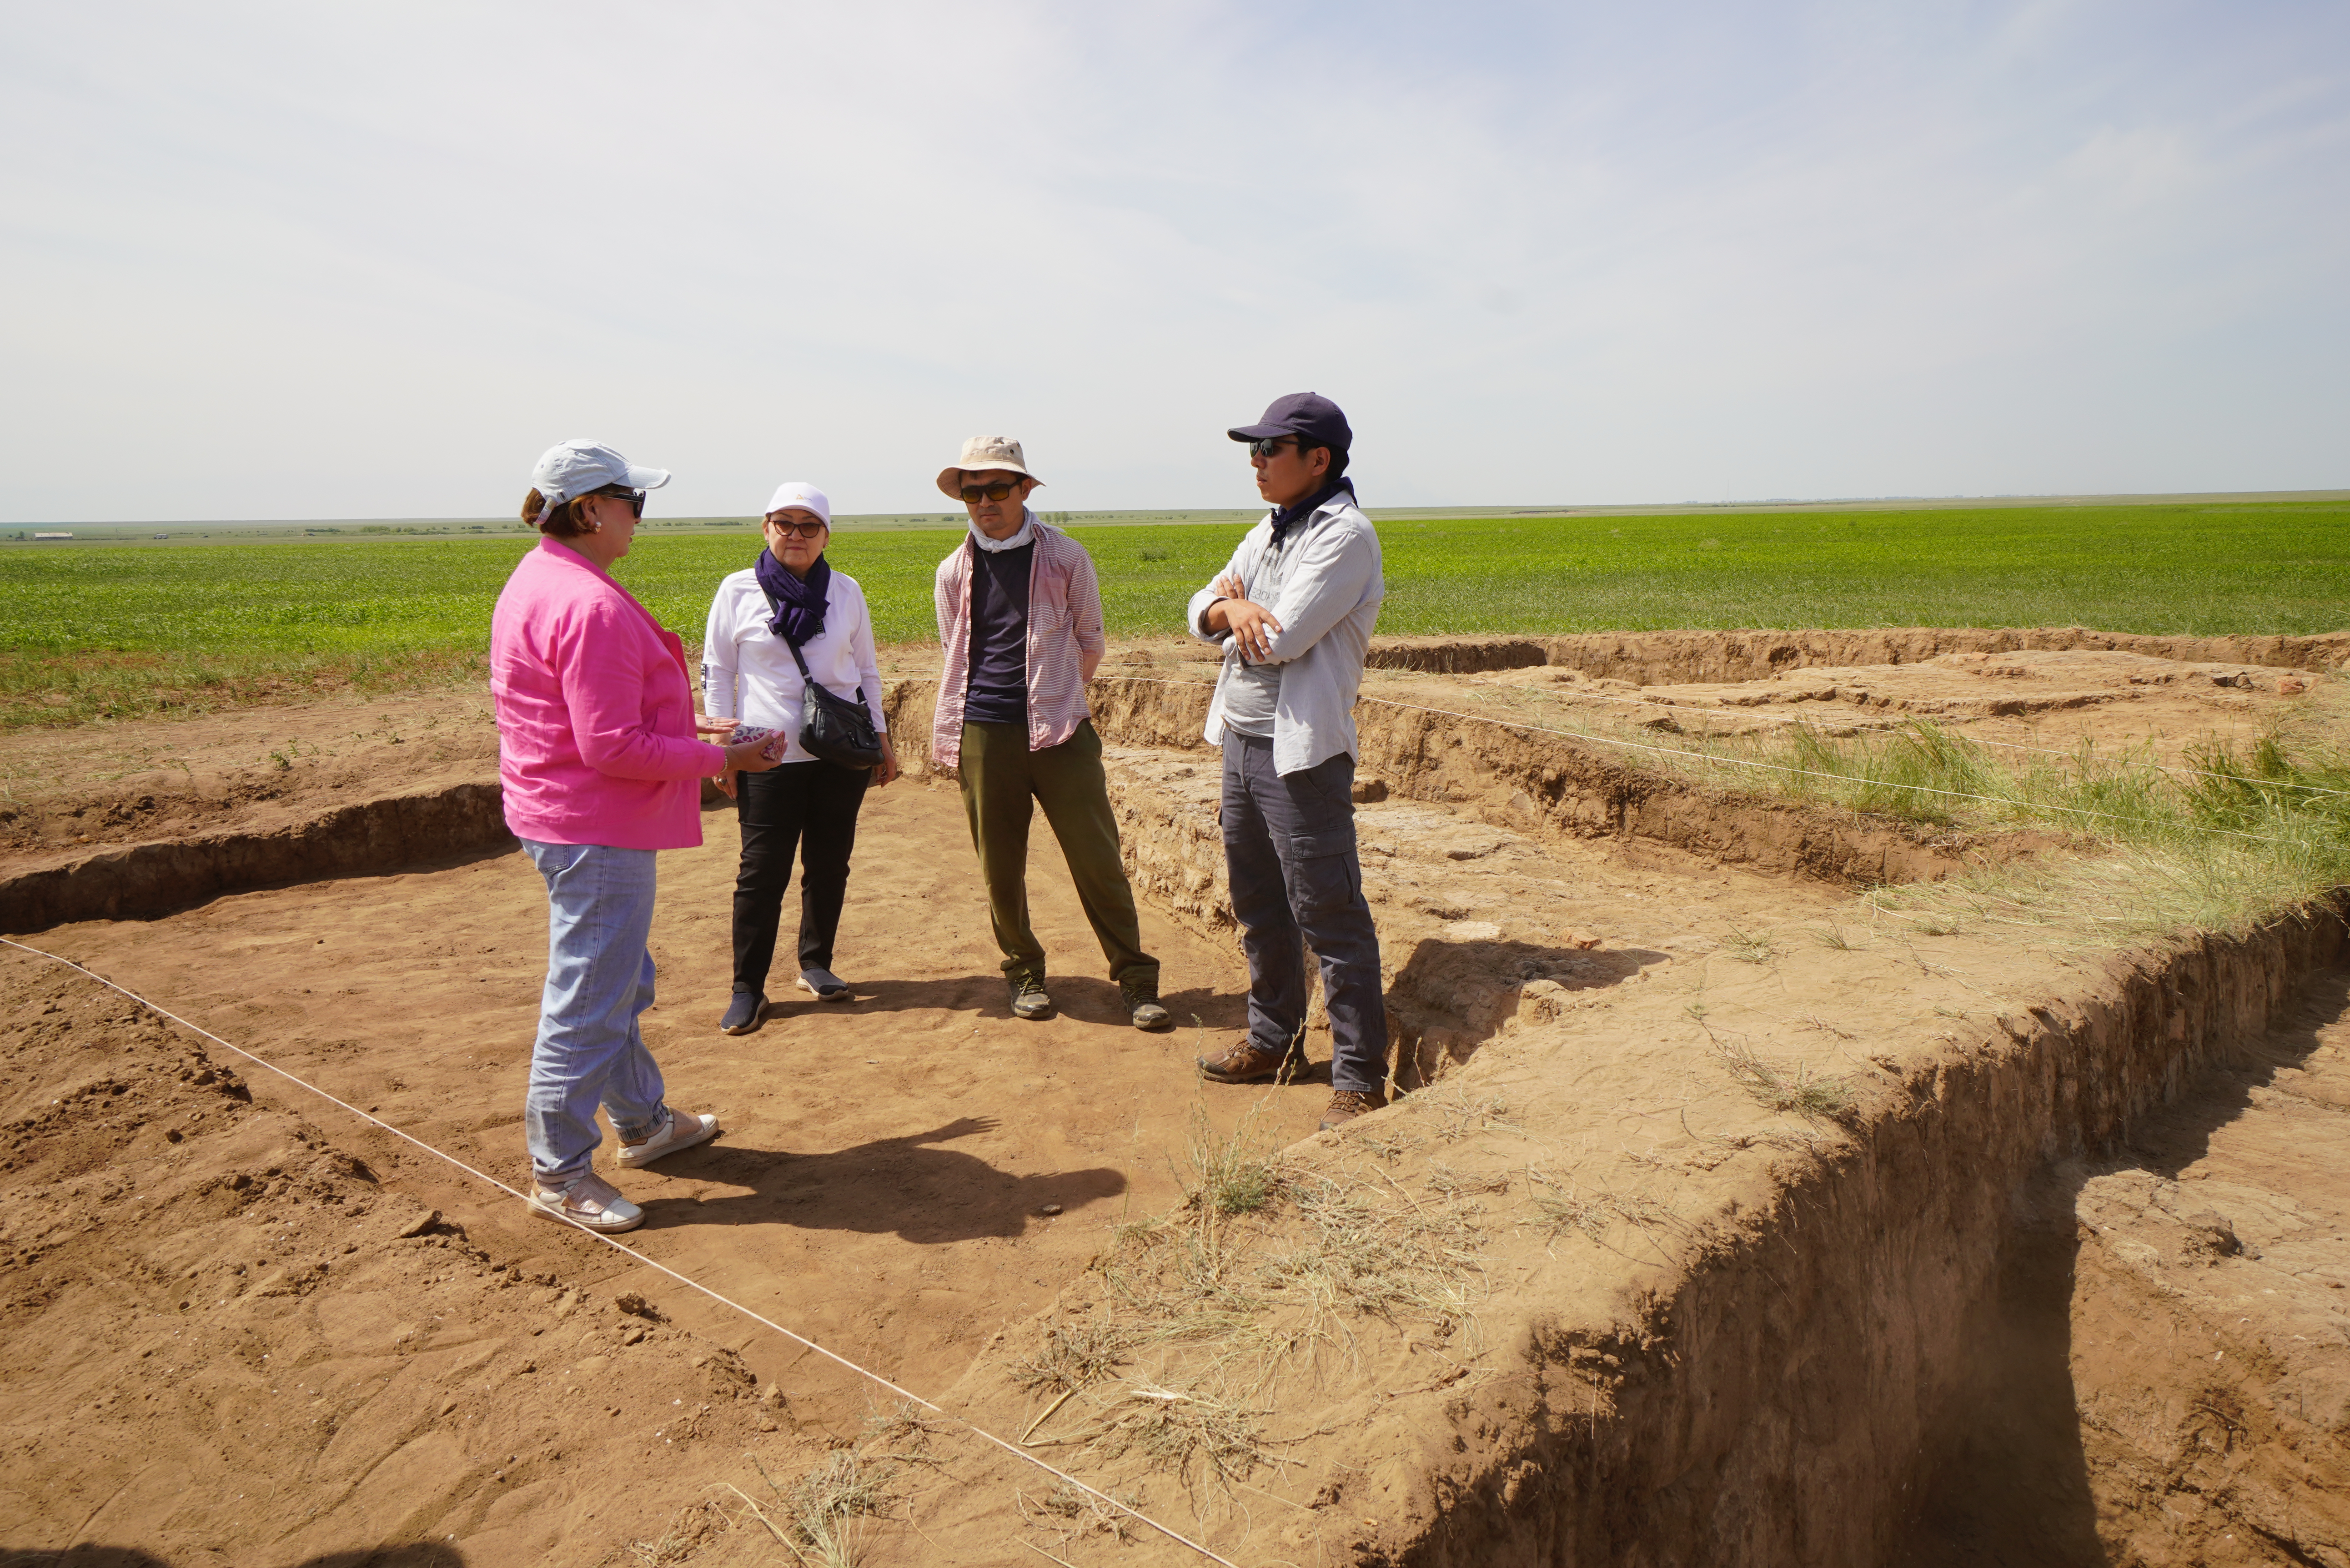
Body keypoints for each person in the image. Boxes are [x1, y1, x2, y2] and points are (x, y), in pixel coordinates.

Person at [491, 438, 781, 1234]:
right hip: (594, 825)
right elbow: (610, 746)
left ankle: (644, 1121)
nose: (637, 517)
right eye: (632, 502)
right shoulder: (588, 604)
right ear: (590, 509)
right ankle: (558, 1172)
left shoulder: (542, 577)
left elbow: (589, 717)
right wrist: (721, 756)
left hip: (560, 812)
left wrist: (697, 728)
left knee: (616, 978)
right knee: (589, 995)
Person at [1184, 394, 1391, 1132]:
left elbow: (1285, 637)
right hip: (1240, 741)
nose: (1256, 462)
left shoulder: (1346, 536)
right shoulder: (1268, 530)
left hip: (1298, 755)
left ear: (1319, 460)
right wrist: (1227, 610)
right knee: (1259, 904)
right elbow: (1198, 607)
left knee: (1328, 913)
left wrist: (1239, 614)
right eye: (1253, 450)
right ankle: (1273, 1041)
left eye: (1271, 450)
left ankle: (1361, 1077)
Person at [929, 435, 1171, 1031]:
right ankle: (1024, 973)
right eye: (973, 491)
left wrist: (1055, 693)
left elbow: (1091, 639)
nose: (985, 501)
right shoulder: (953, 571)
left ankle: (1136, 980)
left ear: (1025, 490)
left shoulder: (1066, 557)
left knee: (1097, 858)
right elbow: (954, 650)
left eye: (998, 488)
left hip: (1062, 733)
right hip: (984, 733)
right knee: (1000, 867)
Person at [702, 482, 898, 1035]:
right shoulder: (738, 591)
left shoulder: (846, 591)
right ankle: (748, 988)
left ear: (825, 535)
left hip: (838, 752)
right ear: (765, 528)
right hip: (766, 754)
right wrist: (723, 750)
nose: (795, 535)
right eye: (784, 523)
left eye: (808, 525)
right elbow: (719, 671)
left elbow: (865, 673)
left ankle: (816, 963)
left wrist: (881, 738)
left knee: (829, 863)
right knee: (761, 873)